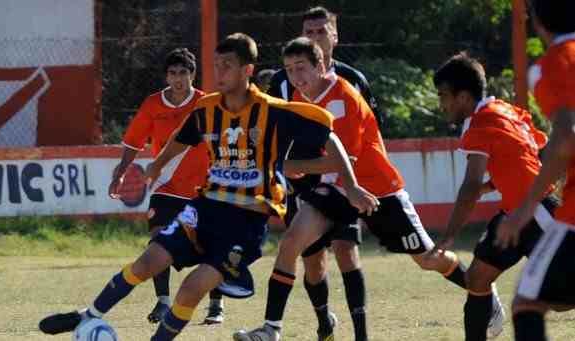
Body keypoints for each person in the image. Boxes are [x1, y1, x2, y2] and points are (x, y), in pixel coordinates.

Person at [38, 32, 377, 341]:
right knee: (147, 262)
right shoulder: (206, 108)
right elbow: (181, 138)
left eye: (227, 65)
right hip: (204, 209)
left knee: (191, 288)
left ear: (247, 70)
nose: (219, 72)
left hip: (244, 225)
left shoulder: (274, 112)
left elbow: (329, 136)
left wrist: (352, 186)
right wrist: (155, 166)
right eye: (216, 65)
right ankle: (89, 314)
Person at [233, 37, 500, 341]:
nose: (296, 77)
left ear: (320, 65)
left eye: (302, 68)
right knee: (291, 241)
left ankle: (483, 289)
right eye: (290, 70)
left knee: (428, 259)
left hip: (378, 190)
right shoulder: (299, 99)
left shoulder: (341, 97)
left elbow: (344, 161)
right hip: (336, 191)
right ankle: (271, 329)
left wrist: (291, 166)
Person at [266, 6, 382, 339]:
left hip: (342, 180)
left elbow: (371, 131)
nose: (314, 37)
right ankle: (324, 324)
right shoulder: (282, 81)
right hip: (300, 184)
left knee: (347, 249)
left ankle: (362, 333)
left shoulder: (353, 81)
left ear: (334, 35)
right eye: (308, 32)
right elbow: (272, 126)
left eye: (321, 31)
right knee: (312, 261)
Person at [432, 52, 557, 341]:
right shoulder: (504, 110)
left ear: (463, 97)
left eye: (443, 96)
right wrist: (500, 182)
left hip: (538, 214)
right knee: (477, 279)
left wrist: (449, 235)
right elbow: (538, 149)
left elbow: (469, 186)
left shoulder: (480, 124)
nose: (441, 104)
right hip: (516, 214)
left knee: (562, 297)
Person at [107, 47, 213, 325]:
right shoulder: (153, 104)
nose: (178, 79)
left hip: (204, 187)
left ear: (193, 75)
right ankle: (163, 301)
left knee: (211, 244)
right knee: (158, 238)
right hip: (166, 185)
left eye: (183, 73)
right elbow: (133, 141)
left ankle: (216, 303)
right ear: (166, 76)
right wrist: (120, 172)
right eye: (172, 73)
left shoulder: (206, 103)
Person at [495, 1, 575, 340]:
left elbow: (566, 137)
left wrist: (524, 210)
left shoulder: (552, 65)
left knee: (527, 300)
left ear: (537, 23)